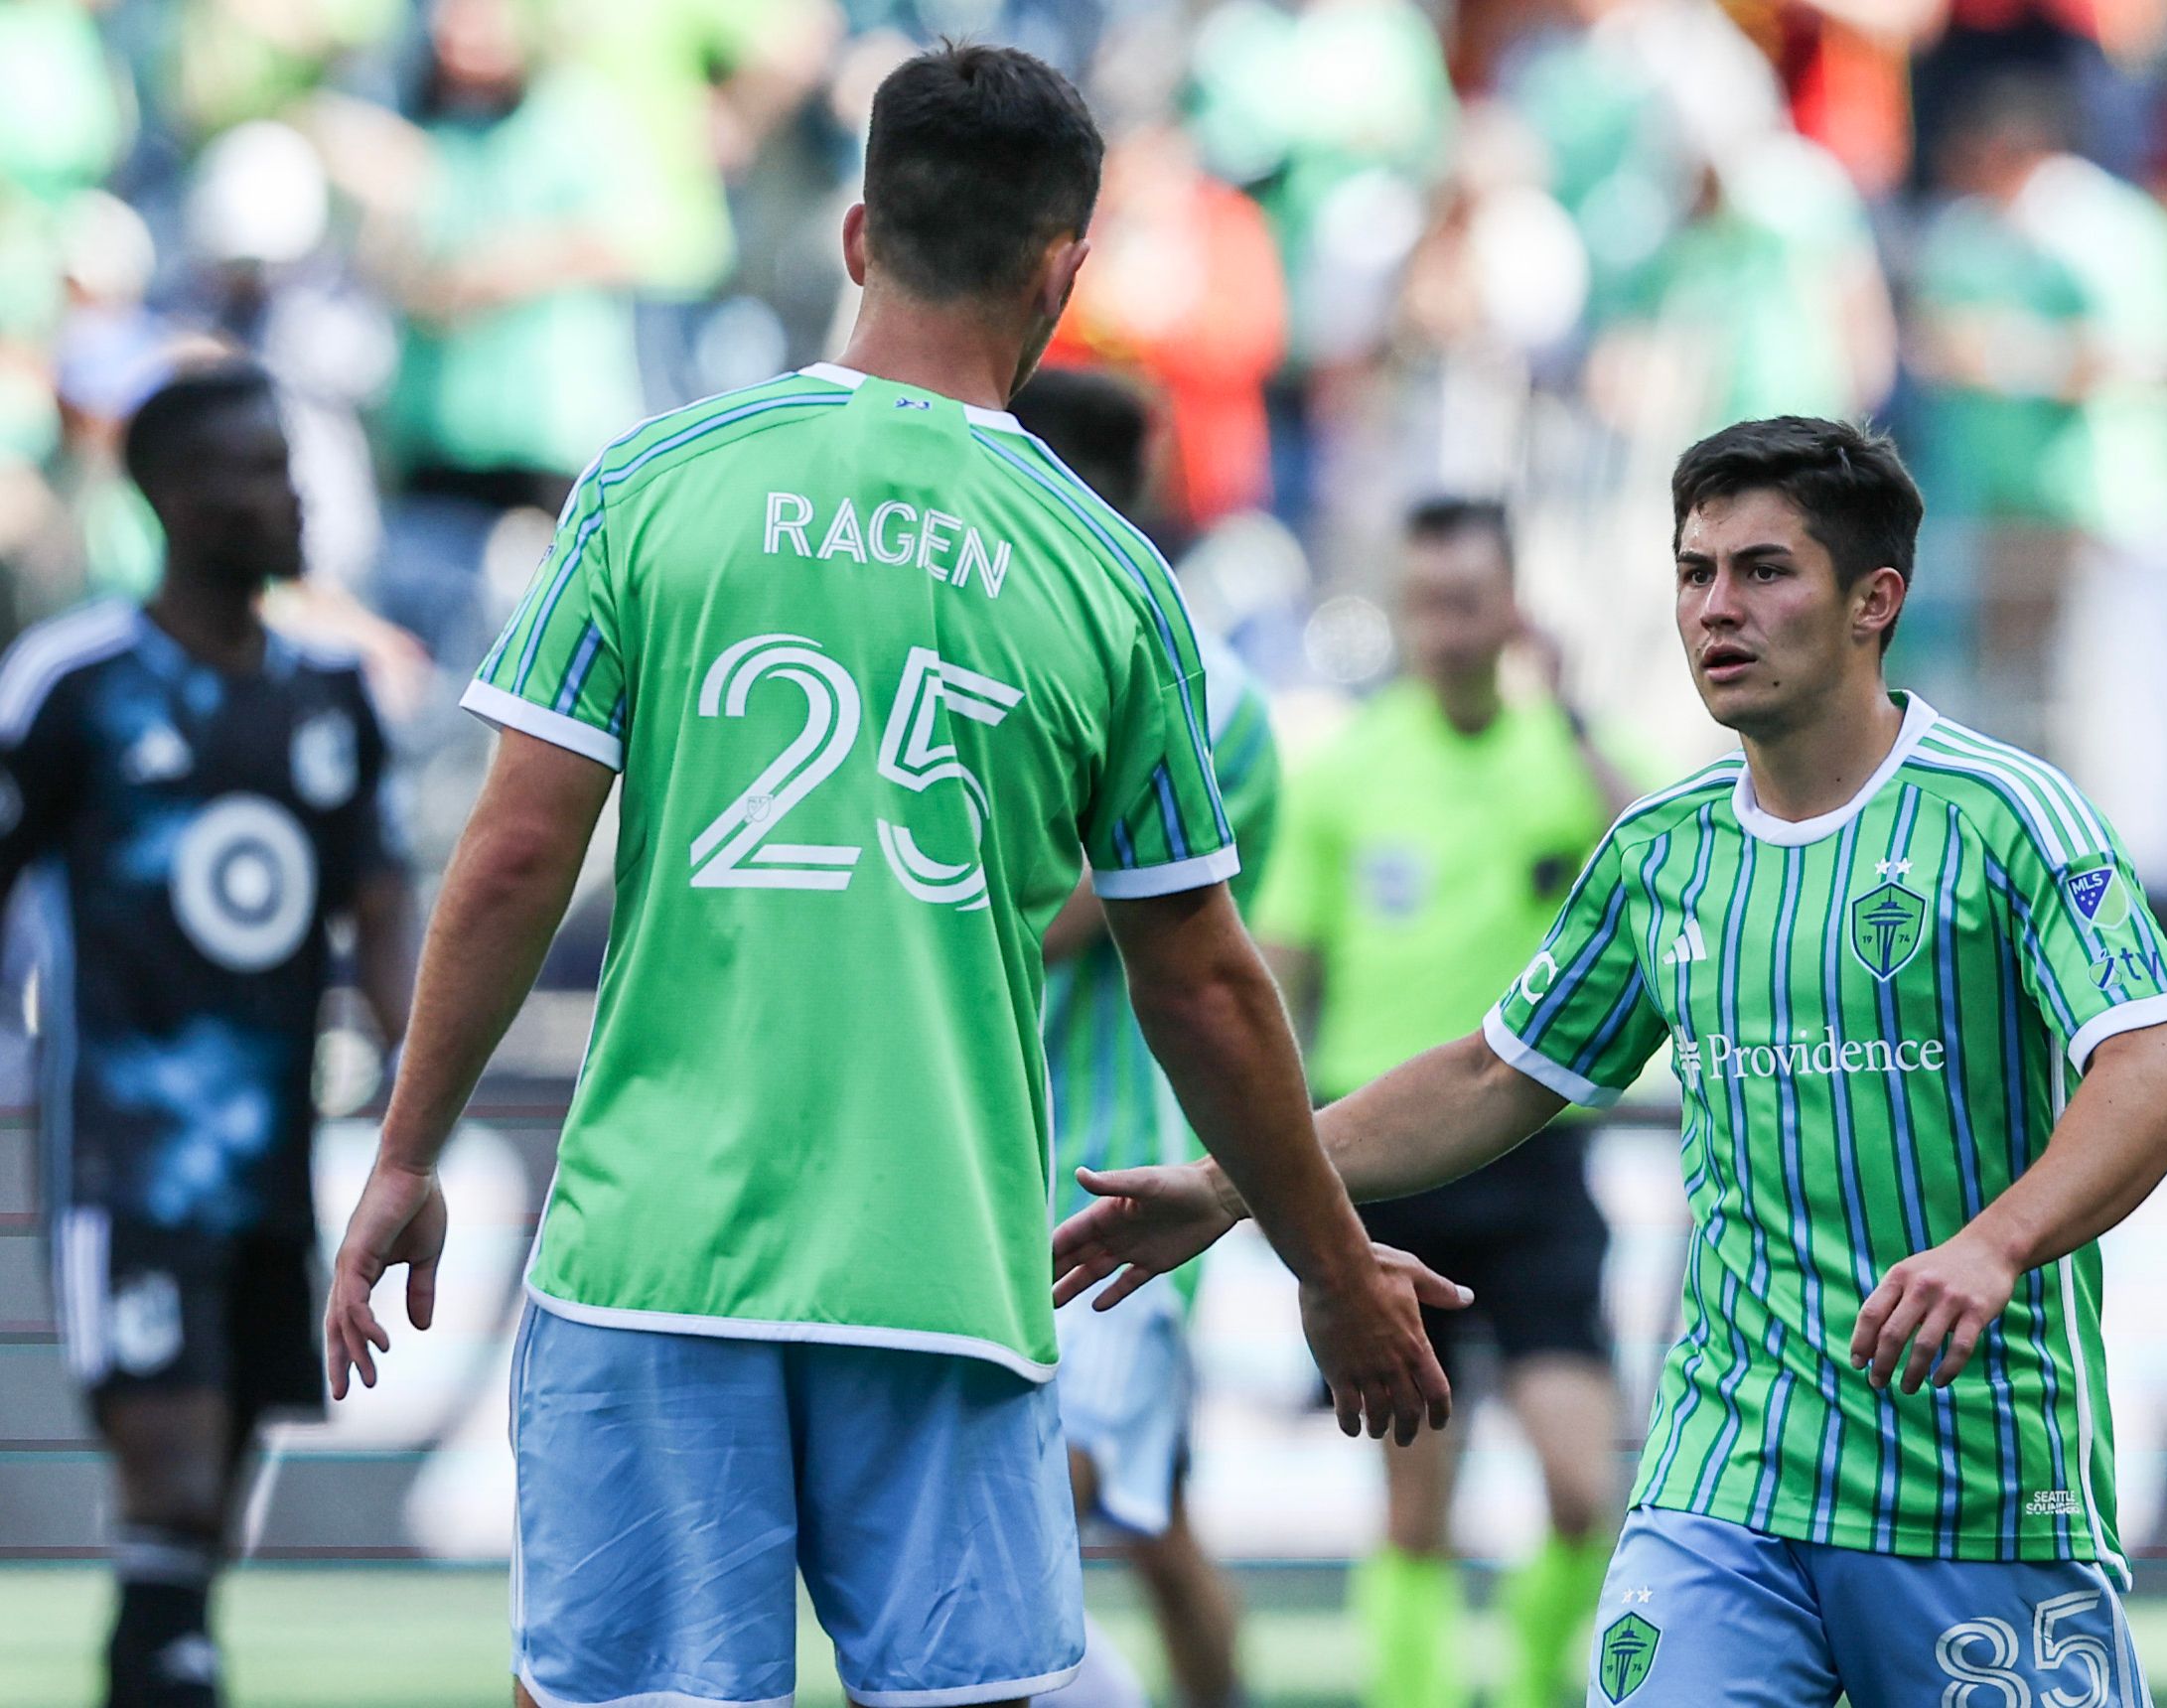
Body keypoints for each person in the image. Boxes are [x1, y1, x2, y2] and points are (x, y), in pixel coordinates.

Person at [319, 44, 1456, 1708]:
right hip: (942, 1267)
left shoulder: (655, 484)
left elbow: (507, 856)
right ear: (1061, 272)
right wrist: (1334, 1263)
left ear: (857, 235)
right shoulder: (1111, 580)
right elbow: (1201, 980)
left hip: (656, 1254)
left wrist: (408, 1150)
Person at [1061, 416, 2167, 1708]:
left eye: (1764, 571)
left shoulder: (2006, 815)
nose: (1715, 608)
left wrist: (1991, 1246)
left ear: (1871, 602)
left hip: (1976, 1490)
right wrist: (1229, 1187)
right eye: (1692, 572)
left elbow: (2152, 1077)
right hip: (1723, 1479)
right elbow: (1497, 1075)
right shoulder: (1660, 849)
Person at [8, 361, 414, 1708]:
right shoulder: (74, 685)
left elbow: (382, 903)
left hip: (269, 1166)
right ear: (173, 497)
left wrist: (413, 1102)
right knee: (170, 1484)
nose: (292, 497)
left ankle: (154, 1662)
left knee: (197, 1525)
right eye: (258, 470)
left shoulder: (330, 695)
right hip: (124, 1161)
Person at [1250, 496, 1636, 1708]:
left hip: (1534, 1163)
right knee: (1415, 1502)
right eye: (1425, 602)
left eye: (1468, 602)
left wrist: (1570, 713)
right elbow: (1283, 978)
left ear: (1512, 609)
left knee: (1586, 1487)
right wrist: (1279, 1160)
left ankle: (1528, 1681)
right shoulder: (1346, 768)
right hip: (1391, 1164)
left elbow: (1666, 868)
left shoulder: (1569, 756)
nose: (1446, 629)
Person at [1020, 366, 1268, 1708]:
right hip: (989, 1166)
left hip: (1122, 1177)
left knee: (1023, 1520)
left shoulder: (1201, 691)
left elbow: (1056, 920)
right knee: (1151, 1527)